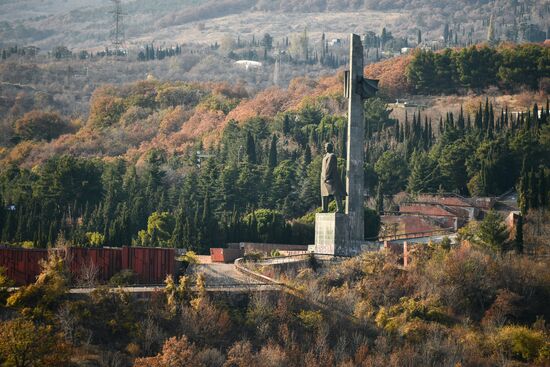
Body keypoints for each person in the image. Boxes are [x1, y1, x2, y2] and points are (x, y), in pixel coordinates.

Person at [320, 142, 345, 213]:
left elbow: (329, 167)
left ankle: (340, 209)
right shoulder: (325, 156)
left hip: (332, 177)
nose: (326, 148)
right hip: (324, 177)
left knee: (336, 193)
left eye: (327, 147)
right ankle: (324, 209)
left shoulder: (332, 156)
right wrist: (323, 176)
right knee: (324, 193)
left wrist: (326, 176)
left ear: (331, 148)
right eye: (325, 147)